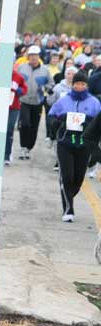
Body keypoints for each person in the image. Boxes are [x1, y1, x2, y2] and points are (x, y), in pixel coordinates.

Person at [49, 71, 101, 221]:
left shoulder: (94, 103)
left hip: (84, 145)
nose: (79, 86)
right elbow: (52, 116)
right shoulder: (64, 100)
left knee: (78, 179)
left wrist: (88, 124)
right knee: (67, 176)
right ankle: (69, 209)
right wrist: (58, 123)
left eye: (82, 84)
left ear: (87, 86)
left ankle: (67, 195)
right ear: (72, 85)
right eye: (77, 84)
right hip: (65, 143)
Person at [18, 46, 53, 160]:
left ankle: (29, 148)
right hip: (24, 100)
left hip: (38, 102)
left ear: (39, 57)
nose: (33, 58)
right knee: (25, 124)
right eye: (31, 55)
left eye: (35, 55)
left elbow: (51, 83)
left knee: (34, 126)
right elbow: (15, 80)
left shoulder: (45, 70)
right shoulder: (22, 68)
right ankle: (23, 147)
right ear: (28, 57)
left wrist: (45, 88)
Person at [0, 66, 27, 165]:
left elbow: (24, 88)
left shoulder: (18, 76)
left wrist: (20, 91)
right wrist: (0, 90)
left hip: (14, 107)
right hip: (0, 107)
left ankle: (7, 155)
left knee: (9, 129)